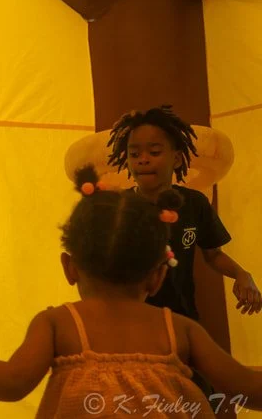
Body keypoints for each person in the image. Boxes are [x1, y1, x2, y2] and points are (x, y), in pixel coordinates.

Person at [0, 165, 262, 418]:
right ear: (158, 277)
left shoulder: (60, 324)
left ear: (69, 267)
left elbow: (11, 382)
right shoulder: (180, 329)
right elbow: (245, 388)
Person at [107, 105, 261, 319]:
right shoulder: (116, 206)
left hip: (182, 317)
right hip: (130, 321)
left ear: (177, 159)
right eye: (134, 154)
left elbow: (213, 254)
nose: (143, 159)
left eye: (154, 152)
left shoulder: (194, 203)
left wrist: (241, 274)